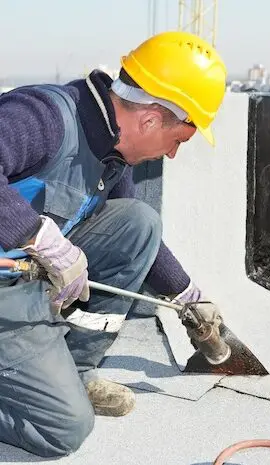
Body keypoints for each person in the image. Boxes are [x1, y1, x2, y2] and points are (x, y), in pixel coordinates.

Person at [0, 31, 227, 457]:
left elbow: (133, 238)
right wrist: (36, 234)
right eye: (179, 141)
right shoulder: (42, 117)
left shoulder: (112, 153)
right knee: (63, 428)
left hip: (22, 283)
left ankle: (76, 368)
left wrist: (186, 294)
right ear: (151, 120)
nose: (173, 155)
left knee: (139, 221)